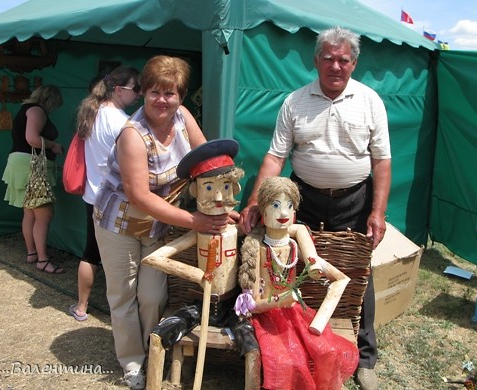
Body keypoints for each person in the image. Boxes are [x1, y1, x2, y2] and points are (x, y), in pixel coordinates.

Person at [239, 26, 391, 390]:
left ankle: (365, 357)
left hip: (354, 200)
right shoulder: (294, 101)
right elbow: (276, 157)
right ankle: (301, 348)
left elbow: (382, 161)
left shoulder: (371, 101)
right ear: (316, 61)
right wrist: (255, 202)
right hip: (300, 198)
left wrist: (378, 212)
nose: (335, 66)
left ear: (353, 63)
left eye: (343, 59)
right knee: (290, 269)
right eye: (328, 58)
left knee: (357, 271)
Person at [93, 55, 229, 390]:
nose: (162, 100)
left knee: (153, 295)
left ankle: (153, 348)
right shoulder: (132, 135)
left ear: (181, 97)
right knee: (123, 296)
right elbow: (139, 195)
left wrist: (223, 204)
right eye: (154, 91)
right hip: (118, 224)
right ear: (143, 93)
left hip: (157, 224)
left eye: (170, 93)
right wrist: (193, 220)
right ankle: (132, 363)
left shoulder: (182, 117)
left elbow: (207, 159)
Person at [142, 139, 259, 389]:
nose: (218, 197)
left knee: (253, 349)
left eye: (225, 186)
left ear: (235, 187)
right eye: (208, 187)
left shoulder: (235, 231)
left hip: (232, 307)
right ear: (195, 191)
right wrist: (195, 273)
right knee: (158, 336)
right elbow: (154, 258)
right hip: (201, 305)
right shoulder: (197, 233)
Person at [237, 176, 359, 390]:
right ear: (263, 212)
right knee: (286, 361)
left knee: (326, 350)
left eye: (289, 206)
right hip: (267, 318)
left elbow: (339, 277)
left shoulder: (294, 247)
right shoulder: (258, 249)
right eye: (276, 205)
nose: (283, 213)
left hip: (295, 314)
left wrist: (314, 266)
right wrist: (282, 299)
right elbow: (253, 304)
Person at [68, 66, 141, 322]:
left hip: (92, 195)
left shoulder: (92, 113)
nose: (140, 95)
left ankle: (81, 307)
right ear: (119, 90)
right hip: (116, 199)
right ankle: (121, 314)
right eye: (136, 89)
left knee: (91, 253)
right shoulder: (123, 122)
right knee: (119, 261)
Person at [2, 85, 65, 274]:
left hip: (21, 163)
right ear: (50, 99)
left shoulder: (25, 110)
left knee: (29, 212)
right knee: (44, 215)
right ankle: (43, 260)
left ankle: (32, 254)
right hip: (32, 165)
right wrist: (54, 145)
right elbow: (32, 138)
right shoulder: (37, 110)